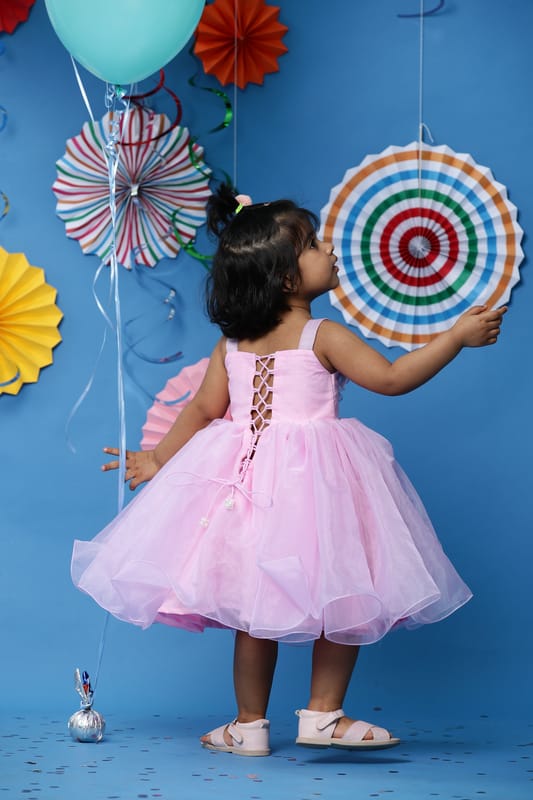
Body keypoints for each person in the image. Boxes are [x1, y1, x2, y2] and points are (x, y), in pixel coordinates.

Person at [71, 185, 506, 757]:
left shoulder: (233, 344)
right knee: (344, 594)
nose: (330, 250)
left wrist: (157, 459)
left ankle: (248, 725)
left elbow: (202, 412)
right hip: (314, 491)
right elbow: (392, 379)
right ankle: (323, 714)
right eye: (315, 244)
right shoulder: (324, 336)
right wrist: (454, 338)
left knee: (255, 611)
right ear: (284, 278)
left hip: (249, 490)